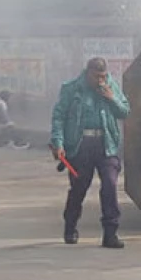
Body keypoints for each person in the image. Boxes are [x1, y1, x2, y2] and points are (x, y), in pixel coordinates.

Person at [50, 57, 130, 249]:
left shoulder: (111, 86)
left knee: (110, 185)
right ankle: (70, 226)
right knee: (79, 188)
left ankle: (110, 233)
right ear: (88, 73)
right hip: (81, 145)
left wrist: (111, 98)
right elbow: (59, 116)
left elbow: (125, 112)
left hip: (106, 144)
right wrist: (58, 143)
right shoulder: (72, 89)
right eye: (96, 77)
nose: (100, 81)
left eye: (103, 76)